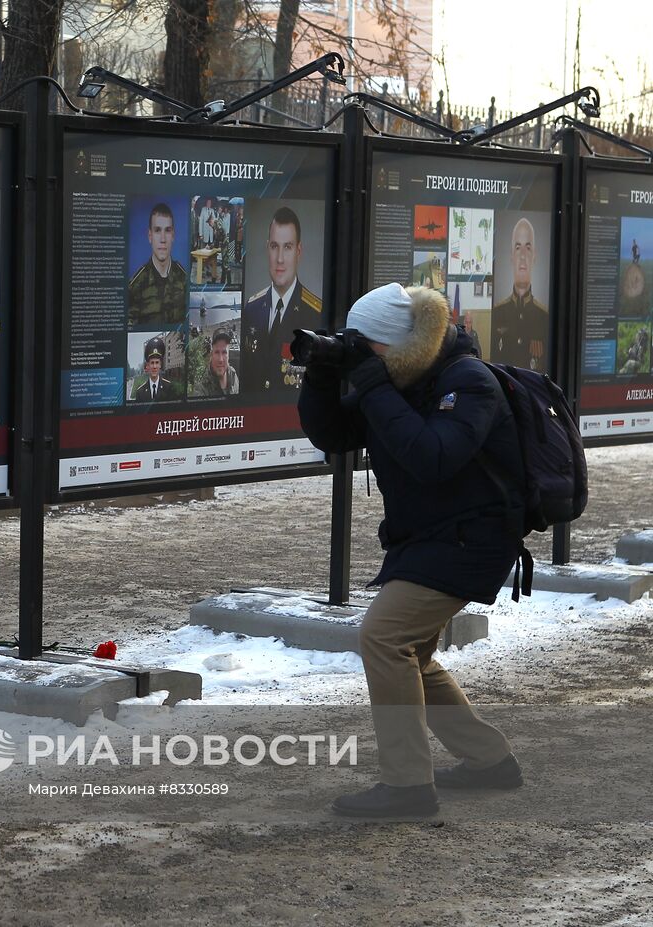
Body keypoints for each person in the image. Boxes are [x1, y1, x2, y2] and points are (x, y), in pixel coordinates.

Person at [297, 282, 525, 818]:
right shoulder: (396, 374)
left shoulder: (467, 381)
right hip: (428, 537)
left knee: (384, 636)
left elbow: (433, 458)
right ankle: (489, 759)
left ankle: (407, 787)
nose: (360, 355)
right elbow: (333, 435)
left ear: (399, 344)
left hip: (474, 538)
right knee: (411, 655)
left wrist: (373, 386)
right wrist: (323, 377)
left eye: (365, 346)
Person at [241, 207, 321, 393]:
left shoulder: (316, 315)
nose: (279, 259)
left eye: (288, 247)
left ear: (298, 251)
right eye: (275, 246)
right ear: (267, 248)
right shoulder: (251, 309)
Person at [491, 218, 547, 369]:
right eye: (518, 247)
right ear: (511, 256)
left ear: (534, 256)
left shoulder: (545, 317)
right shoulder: (496, 313)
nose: (522, 256)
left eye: (528, 248)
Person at [127, 204, 188, 329]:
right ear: (150, 236)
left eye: (167, 230)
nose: (163, 239)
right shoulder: (135, 285)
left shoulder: (184, 279)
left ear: (173, 236)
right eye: (157, 230)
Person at [132, 336, 177, 403]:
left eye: (157, 362)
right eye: (152, 363)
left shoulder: (169, 388)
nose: (154, 366)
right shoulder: (140, 392)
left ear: (160, 365)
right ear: (148, 366)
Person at [199, 329, 239, 397]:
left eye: (224, 352)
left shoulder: (233, 374)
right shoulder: (202, 388)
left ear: (229, 355)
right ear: (212, 354)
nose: (220, 360)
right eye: (217, 352)